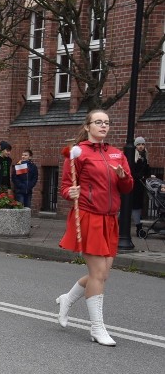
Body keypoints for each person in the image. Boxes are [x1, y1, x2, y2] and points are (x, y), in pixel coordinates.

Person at [56, 110, 133, 346]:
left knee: (101, 275)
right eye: (98, 122)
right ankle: (97, 328)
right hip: (88, 216)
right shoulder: (78, 153)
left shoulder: (116, 153)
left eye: (107, 123)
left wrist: (121, 177)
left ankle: (67, 299)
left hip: (110, 218)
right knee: (98, 274)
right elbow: (66, 187)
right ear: (88, 126)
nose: (103, 126)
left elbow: (128, 187)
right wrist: (72, 192)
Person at [130, 137, 151, 237]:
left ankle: (138, 226)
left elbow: (147, 170)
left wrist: (149, 176)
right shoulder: (133, 157)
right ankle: (138, 227)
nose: (141, 146)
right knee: (133, 206)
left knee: (136, 206)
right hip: (133, 185)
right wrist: (139, 176)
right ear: (135, 146)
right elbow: (132, 171)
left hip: (140, 185)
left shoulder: (145, 156)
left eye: (142, 144)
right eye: (138, 144)